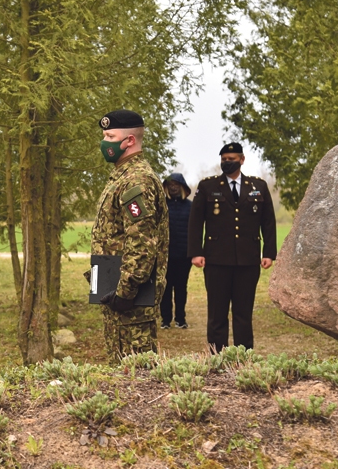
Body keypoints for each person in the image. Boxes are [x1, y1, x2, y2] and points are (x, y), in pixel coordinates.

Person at [88, 109, 169, 362]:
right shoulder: (122, 176)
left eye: (110, 137)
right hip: (114, 291)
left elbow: (141, 243)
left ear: (129, 140)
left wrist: (126, 291)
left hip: (129, 300)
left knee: (136, 373)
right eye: (104, 136)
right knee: (121, 369)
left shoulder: (137, 180)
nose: (104, 142)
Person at [188, 142, 276, 351]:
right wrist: (196, 252)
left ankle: (243, 357)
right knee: (217, 314)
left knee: (243, 314)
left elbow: (268, 221)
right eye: (224, 160)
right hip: (216, 260)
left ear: (242, 160)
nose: (227, 163)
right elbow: (195, 221)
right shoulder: (208, 186)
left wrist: (269, 253)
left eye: (232, 159)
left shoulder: (258, 186)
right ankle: (217, 357)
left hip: (248, 260)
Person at [160, 173, 192, 330]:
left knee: (181, 287)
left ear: (182, 187)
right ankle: (165, 319)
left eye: (176, 185)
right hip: (165, 255)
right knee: (165, 288)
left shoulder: (190, 206)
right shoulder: (161, 205)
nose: (173, 187)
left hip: (184, 255)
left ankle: (180, 318)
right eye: (170, 185)